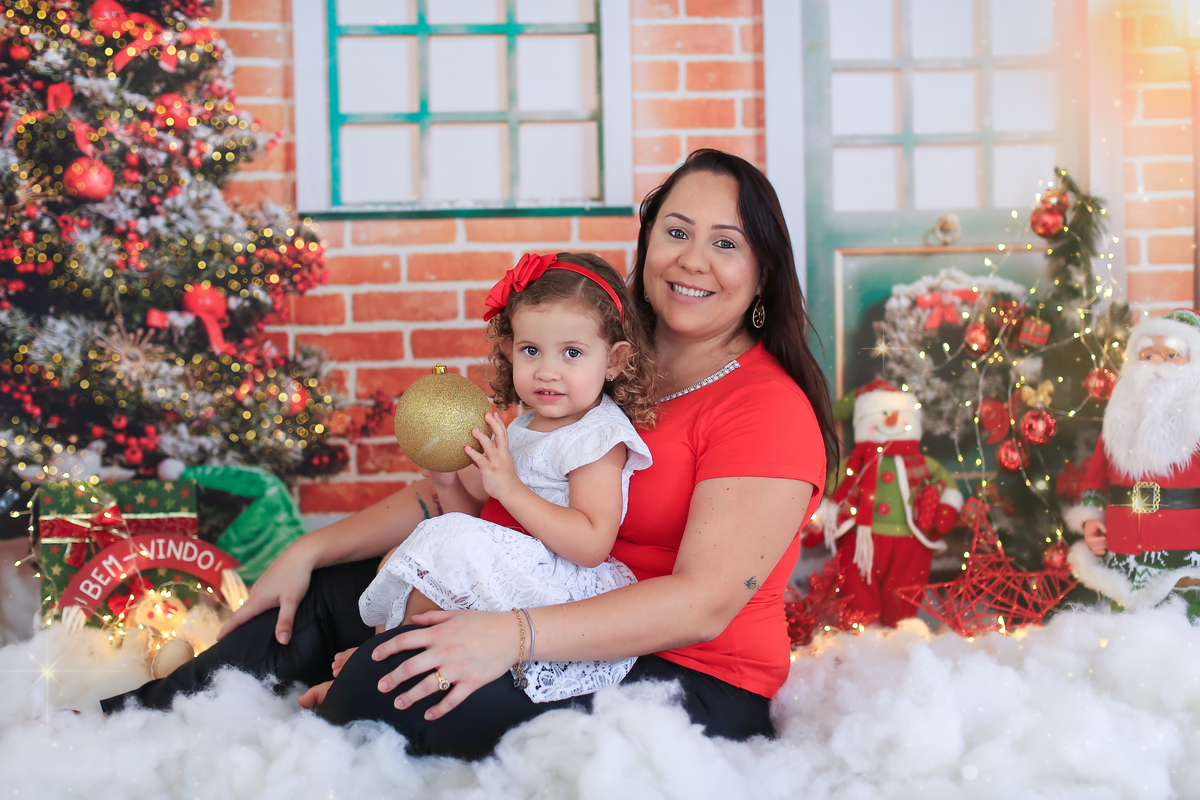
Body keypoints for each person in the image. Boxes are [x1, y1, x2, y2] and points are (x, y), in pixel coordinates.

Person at [101, 149, 838, 760]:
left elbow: (703, 603)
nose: (694, 260)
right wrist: (311, 548)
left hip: (684, 673)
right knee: (328, 593)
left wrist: (509, 638)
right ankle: (121, 727)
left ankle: (308, 734)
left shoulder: (765, 408)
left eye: (727, 243)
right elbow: (479, 485)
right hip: (543, 598)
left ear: (764, 272)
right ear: (647, 246)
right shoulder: (598, 362)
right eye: (677, 232)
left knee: (403, 674)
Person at [314, 252, 655, 707]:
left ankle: (379, 667)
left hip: (562, 590)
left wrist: (509, 486)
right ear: (510, 349)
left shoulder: (597, 437)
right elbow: (482, 526)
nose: (547, 371)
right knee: (412, 551)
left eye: (572, 353)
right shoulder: (523, 423)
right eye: (531, 351)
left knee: (444, 544)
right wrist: (447, 484)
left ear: (613, 360)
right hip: (517, 569)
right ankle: (386, 653)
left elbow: (592, 544)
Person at [1067, 308, 1200, 614]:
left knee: (1183, 625)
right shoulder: (1121, 416)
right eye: (1148, 354)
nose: (1156, 363)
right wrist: (1091, 521)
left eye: (1170, 355)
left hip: (1184, 548)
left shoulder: (1194, 419)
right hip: (1125, 545)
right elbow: (1098, 475)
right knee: (1128, 630)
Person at [814, 379, 962, 626]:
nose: (891, 421)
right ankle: (862, 635)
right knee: (857, 588)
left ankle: (899, 635)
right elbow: (831, 488)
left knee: (904, 591)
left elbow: (947, 485)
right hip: (861, 538)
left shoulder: (922, 463)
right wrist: (821, 515)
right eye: (881, 415)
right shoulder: (857, 463)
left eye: (897, 415)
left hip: (912, 539)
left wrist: (947, 507)